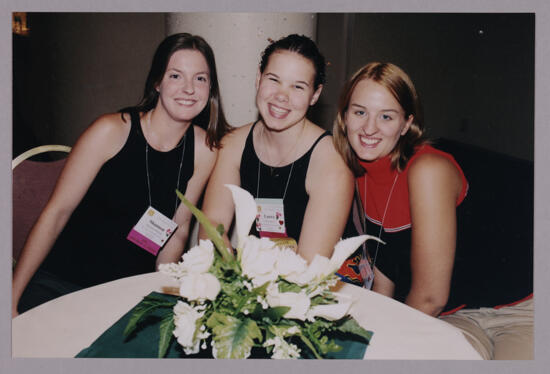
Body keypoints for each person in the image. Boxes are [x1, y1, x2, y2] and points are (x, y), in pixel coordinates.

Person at [12, 33, 232, 317]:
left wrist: (162, 298)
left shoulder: (204, 149)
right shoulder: (111, 131)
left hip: (127, 295)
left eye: (200, 78)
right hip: (62, 284)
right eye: (176, 76)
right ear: (157, 82)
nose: (189, 88)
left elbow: (178, 230)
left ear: (210, 88)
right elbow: (56, 213)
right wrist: (12, 297)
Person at [333, 62, 533, 359]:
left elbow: (429, 297)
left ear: (405, 124)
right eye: (360, 112)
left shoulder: (427, 169)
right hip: (458, 317)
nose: (369, 128)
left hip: (521, 310)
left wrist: (381, 344)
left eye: (386, 116)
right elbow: (383, 276)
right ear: (344, 116)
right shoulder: (358, 172)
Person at [200, 34, 353, 262]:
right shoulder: (233, 144)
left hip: (316, 285)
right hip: (251, 278)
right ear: (258, 79)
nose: (281, 96)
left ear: (315, 95)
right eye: (273, 79)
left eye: (298, 86)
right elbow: (212, 225)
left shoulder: (331, 162)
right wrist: (227, 273)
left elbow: (310, 264)